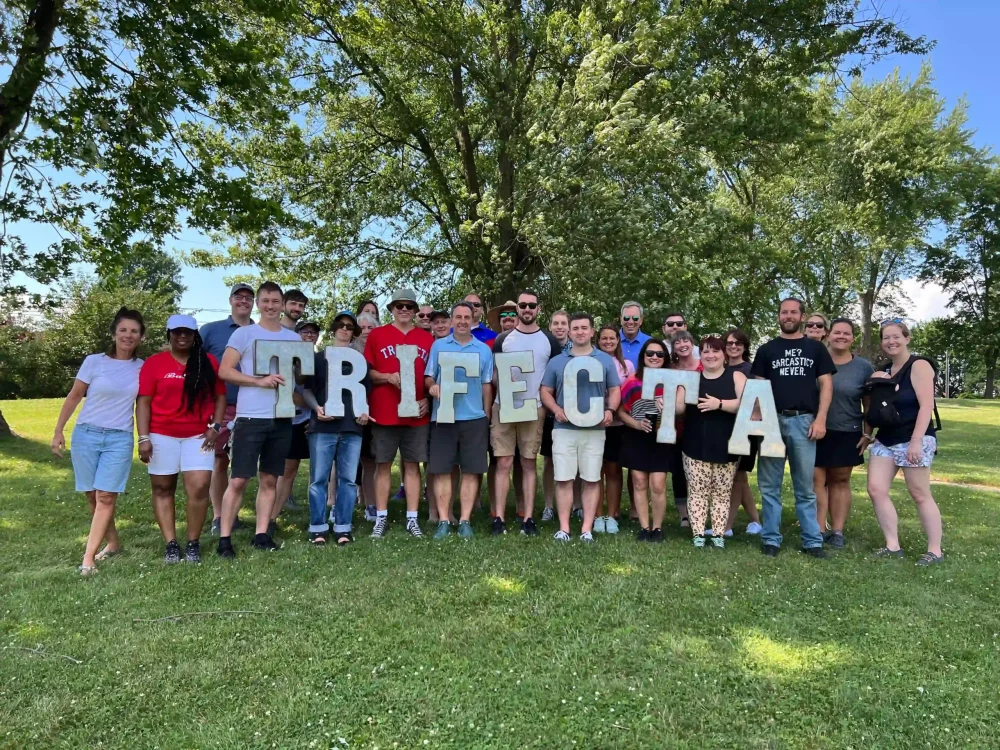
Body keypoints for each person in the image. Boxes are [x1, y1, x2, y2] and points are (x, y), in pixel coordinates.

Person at [52, 307, 146, 575]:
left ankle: (88, 557)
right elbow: (74, 396)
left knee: (106, 496)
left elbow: (143, 405)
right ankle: (113, 542)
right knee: (93, 496)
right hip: (86, 434)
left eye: (134, 331)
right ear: (114, 333)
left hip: (119, 438)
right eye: (123, 330)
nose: (128, 335)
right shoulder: (94, 362)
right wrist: (59, 430)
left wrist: (143, 437)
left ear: (140, 337)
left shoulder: (142, 367)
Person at [216, 282, 303, 557]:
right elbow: (225, 371)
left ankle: (261, 534)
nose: (270, 306)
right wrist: (259, 381)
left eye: (275, 301)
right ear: (258, 304)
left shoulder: (293, 339)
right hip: (250, 417)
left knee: (270, 480)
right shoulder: (244, 334)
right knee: (239, 480)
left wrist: (299, 371)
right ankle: (225, 538)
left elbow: (299, 378)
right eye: (265, 300)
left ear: (282, 304)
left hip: (281, 417)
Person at [136, 314, 227, 563]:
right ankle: (171, 544)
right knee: (163, 488)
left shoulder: (207, 362)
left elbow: (220, 396)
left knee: (198, 488)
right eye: (177, 332)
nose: (183, 336)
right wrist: (143, 437)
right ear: (169, 334)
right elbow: (143, 402)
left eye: (188, 332)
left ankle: (193, 543)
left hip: (198, 436)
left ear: (195, 335)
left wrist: (216, 426)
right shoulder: (154, 364)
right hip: (161, 434)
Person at [751, 297, 835, 558]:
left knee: (805, 486)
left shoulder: (815, 349)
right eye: (784, 312)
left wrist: (820, 419)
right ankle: (771, 539)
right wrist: (758, 424)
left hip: (804, 421)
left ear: (801, 316)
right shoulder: (766, 350)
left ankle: (812, 541)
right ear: (778, 316)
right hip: (772, 420)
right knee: (770, 484)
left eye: (793, 312)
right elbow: (758, 390)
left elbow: (827, 386)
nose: (788, 316)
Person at [865, 320, 943, 565]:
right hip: (886, 439)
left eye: (896, 336)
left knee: (919, 493)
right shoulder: (884, 371)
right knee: (876, 489)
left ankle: (935, 550)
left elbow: (926, 406)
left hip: (914, 437)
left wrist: (916, 442)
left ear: (907, 338)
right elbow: (875, 409)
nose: (891, 341)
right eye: (886, 338)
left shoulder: (919, 365)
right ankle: (892, 545)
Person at [540, 312, 621, 542]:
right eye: (575, 328)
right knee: (564, 478)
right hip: (564, 428)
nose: (580, 332)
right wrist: (556, 409)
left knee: (592, 478)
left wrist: (610, 410)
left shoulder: (604, 360)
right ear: (569, 331)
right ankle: (564, 528)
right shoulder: (557, 362)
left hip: (594, 429)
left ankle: (587, 528)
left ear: (592, 331)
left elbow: (615, 389)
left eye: (584, 328)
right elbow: (545, 391)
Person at [490, 290, 562, 535]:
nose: (527, 309)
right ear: (517, 308)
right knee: (503, 462)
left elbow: (554, 377)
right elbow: (495, 376)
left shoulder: (549, 340)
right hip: (505, 406)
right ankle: (498, 517)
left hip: (535, 408)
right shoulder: (503, 339)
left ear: (538, 309)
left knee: (529, 462)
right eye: (523, 305)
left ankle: (528, 518)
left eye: (532, 305)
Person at [365, 288, 434, 538]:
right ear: (391, 308)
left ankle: (412, 518)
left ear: (416, 311)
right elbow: (368, 372)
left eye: (409, 306)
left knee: (413, 465)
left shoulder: (427, 339)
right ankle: (381, 518)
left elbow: (432, 376)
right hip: (385, 411)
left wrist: (427, 398)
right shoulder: (378, 335)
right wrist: (386, 376)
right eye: (399, 305)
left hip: (416, 413)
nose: (404, 310)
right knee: (383, 465)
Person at [425, 302, 494, 539]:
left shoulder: (483, 350)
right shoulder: (438, 346)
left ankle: (465, 519)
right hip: (443, 416)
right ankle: (444, 519)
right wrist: (432, 387)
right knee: (442, 470)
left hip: (474, 418)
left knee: (472, 471)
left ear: (473, 318)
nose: (463, 321)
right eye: (458, 317)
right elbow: (428, 377)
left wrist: (486, 414)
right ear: (452, 320)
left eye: (467, 316)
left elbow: (487, 386)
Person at [301, 311, 370, 545]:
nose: (344, 329)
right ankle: (318, 526)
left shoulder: (361, 363)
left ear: (354, 333)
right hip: (323, 426)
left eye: (350, 327)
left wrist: (365, 413)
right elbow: (306, 389)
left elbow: (366, 395)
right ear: (333, 329)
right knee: (318, 479)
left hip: (352, 428)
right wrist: (316, 407)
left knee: (348, 480)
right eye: (340, 325)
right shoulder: (319, 359)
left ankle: (343, 526)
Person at [678, 335, 746, 548]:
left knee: (722, 492)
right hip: (695, 443)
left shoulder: (736, 377)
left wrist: (720, 404)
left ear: (724, 354)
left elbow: (748, 403)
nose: (710, 355)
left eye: (715, 350)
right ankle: (698, 534)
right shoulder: (690, 379)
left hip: (727, 443)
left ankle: (718, 535)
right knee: (697, 491)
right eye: (705, 351)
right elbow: (679, 408)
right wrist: (667, 405)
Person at [200, 282, 254, 535]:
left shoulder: (262, 331)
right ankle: (219, 516)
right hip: (221, 405)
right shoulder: (211, 331)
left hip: (254, 405)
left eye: (248, 297)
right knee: (219, 460)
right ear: (230, 300)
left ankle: (234, 512)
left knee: (243, 464)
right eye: (239, 297)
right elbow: (195, 365)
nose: (244, 301)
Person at [814, 318, 874, 548]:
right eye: (837, 332)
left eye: (846, 333)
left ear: (852, 338)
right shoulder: (814, 359)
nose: (841, 336)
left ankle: (837, 530)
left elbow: (869, 405)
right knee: (815, 480)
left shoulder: (863, 367)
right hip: (813, 429)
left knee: (840, 480)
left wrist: (867, 433)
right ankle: (818, 530)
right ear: (828, 334)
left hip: (847, 430)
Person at [617, 338, 671, 541]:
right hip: (636, 436)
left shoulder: (672, 381)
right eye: (650, 354)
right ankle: (644, 527)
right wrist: (637, 424)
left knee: (658, 484)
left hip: (662, 437)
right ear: (643, 357)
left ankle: (657, 528)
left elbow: (682, 410)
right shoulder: (632, 381)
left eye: (659, 354)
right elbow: (620, 411)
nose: (654, 357)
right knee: (639, 482)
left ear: (665, 358)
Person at [271, 318, 321, 530]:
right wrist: (310, 407)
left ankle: (319, 515)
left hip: (314, 420)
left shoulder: (319, 359)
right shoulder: (284, 358)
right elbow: (285, 392)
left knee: (320, 470)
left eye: (313, 332)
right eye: (305, 332)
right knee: (287, 469)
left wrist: (315, 414)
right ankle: (272, 516)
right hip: (290, 420)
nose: (309, 335)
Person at [722, 328, 762, 537]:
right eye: (729, 343)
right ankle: (755, 521)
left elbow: (757, 402)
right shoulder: (719, 367)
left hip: (746, 430)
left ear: (745, 347)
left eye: (738, 343)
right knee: (740, 478)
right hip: (722, 429)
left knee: (737, 477)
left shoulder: (752, 369)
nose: (733, 346)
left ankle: (727, 526)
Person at [595, 325, 634, 534]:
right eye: (604, 338)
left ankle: (613, 514)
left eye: (612, 338)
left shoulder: (626, 365)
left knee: (613, 470)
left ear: (618, 341)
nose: (608, 341)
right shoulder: (590, 361)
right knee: (595, 471)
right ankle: (597, 514)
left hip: (617, 425)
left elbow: (630, 395)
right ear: (598, 340)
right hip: (592, 424)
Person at [540, 309, 571, 522]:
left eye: (563, 323)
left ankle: (576, 504)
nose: (559, 327)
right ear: (550, 326)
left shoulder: (578, 349)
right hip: (549, 412)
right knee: (550, 460)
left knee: (575, 461)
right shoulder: (543, 346)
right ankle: (549, 506)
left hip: (575, 413)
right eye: (555, 323)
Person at [669, 329, 700, 528]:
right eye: (677, 342)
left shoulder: (705, 366)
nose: (682, 344)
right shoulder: (671, 370)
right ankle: (684, 515)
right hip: (676, 427)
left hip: (701, 425)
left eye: (685, 340)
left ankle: (699, 511)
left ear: (692, 343)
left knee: (698, 470)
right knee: (678, 471)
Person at [352, 310, 379, 520]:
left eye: (371, 327)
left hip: (374, 412)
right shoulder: (348, 351)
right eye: (362, 327)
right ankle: (337, 504)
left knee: (370, 461)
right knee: (345, 461)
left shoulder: (380, 352)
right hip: (349, 414)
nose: (366, 331)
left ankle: (371, 504)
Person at [619, 301, 651, 370]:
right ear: (621, 319)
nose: (630, 322)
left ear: (641, 320)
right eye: (626, 318)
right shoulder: (609, 342)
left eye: (635, 318)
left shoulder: (650, 343)